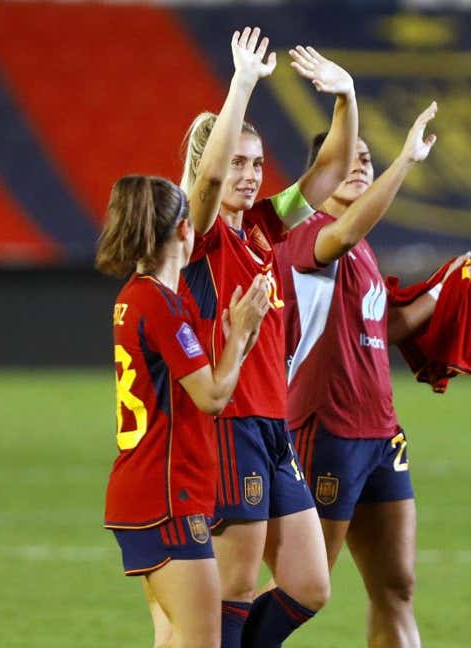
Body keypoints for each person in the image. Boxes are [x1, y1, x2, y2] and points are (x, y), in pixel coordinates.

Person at [275, 103, 471, 648]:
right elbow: (341, 238)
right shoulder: (309, 234)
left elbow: (385, 325)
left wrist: (443, 288)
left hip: (380, 433)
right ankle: (221, 634)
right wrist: (407, 161)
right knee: (302, 588)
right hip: (329, 430)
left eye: (369, 158)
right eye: (349, 158)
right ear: (320, 173)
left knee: (397, 586)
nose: (362, 164)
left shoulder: (361, 245)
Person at [176, 34, 359, 648]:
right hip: (229, 426)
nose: (250, 176)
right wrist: (242, 83)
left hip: (272, 427)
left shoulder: (262, 225)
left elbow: (329, 169)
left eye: (257, 164)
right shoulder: (196, 233)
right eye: (239, 163)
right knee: (235, 589)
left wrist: (346, 98)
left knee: (310, 583)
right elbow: (204, 181)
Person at [95, 28, 275, 647]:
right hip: (167, 498)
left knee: (173, 641)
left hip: (146, 491)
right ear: (177, 229)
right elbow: (214, 395)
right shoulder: (163, 304)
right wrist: (241, 334)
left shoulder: (137, 298)